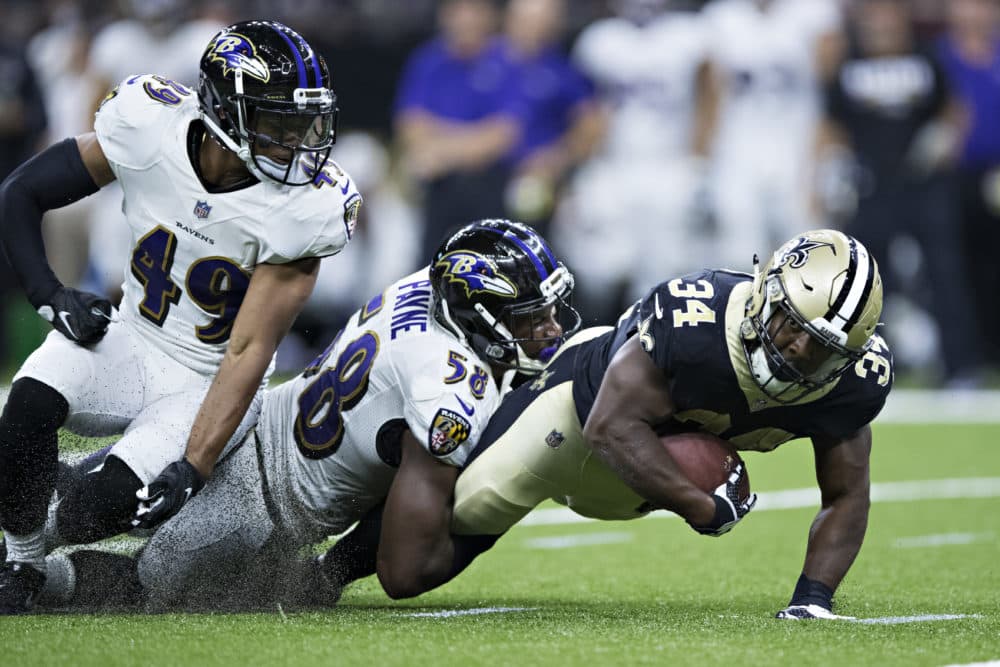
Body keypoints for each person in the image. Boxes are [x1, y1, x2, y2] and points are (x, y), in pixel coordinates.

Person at [325, 228, 892, 619]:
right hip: (570, 418)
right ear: (766, 290)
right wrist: (699, 505)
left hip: (636, 483)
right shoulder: (696, 324)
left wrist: (812, 597)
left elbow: (847, 494)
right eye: (789, 323)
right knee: (407, 571)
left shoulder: (854, 385)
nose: (794, 348)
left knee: (417, 565)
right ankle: (315, 575)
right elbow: (609, 429)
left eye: (817, 347)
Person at [0, 19, 360, 614]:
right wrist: (50, 293)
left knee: (99, 508)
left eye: (304, 122)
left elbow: (247, 352)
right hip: (132, 335)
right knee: (28, 408)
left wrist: (194, 466)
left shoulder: (305, 207)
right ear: (223, 111)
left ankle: (51, 550)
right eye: (276, 123)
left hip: (206, 379)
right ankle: (20, 561)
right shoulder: (150, 128)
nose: (298, 142)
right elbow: (20, 192)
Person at [36, 219, 579, 611]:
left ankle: (22, 550)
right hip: (260, 511)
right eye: (530, 317)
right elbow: (402, 569)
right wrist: (330, 575)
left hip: (241, 420)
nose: (551, 328)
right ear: (476, 316)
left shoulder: (424, 285)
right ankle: (34, 580)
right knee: (140, 586)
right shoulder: (448, 388)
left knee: (81, 491)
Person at [393, 0, 526, 264]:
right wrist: (473, 136)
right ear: (445, 15)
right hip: (435, 185)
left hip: (491, 186)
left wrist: (442, 146)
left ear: (490, 16)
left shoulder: (509, 61)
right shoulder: (428, 60)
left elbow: (503, 135)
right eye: (458, 9)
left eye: (475, 10)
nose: (466, 19)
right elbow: (410, 126)